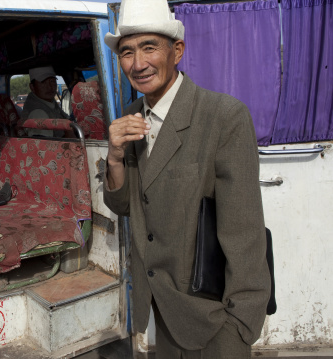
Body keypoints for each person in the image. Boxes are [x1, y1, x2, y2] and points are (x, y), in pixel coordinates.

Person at [102, 0, 271, 357]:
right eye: (127, 52)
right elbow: (125, 206)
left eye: (150, 47)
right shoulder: (133, 115)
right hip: (163, 310)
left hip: (213, 318)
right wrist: (115, 157)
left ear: (177, 51)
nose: (138, 63)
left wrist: (239, 326)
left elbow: (244, 232)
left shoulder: (224, 117)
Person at [21, 66, 70, 137]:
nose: (50, 87)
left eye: (52, 81)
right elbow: (45, 145)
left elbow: (65, 117)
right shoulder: (37, 113)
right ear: (32, 87)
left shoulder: (48, 101)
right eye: (43, 82)